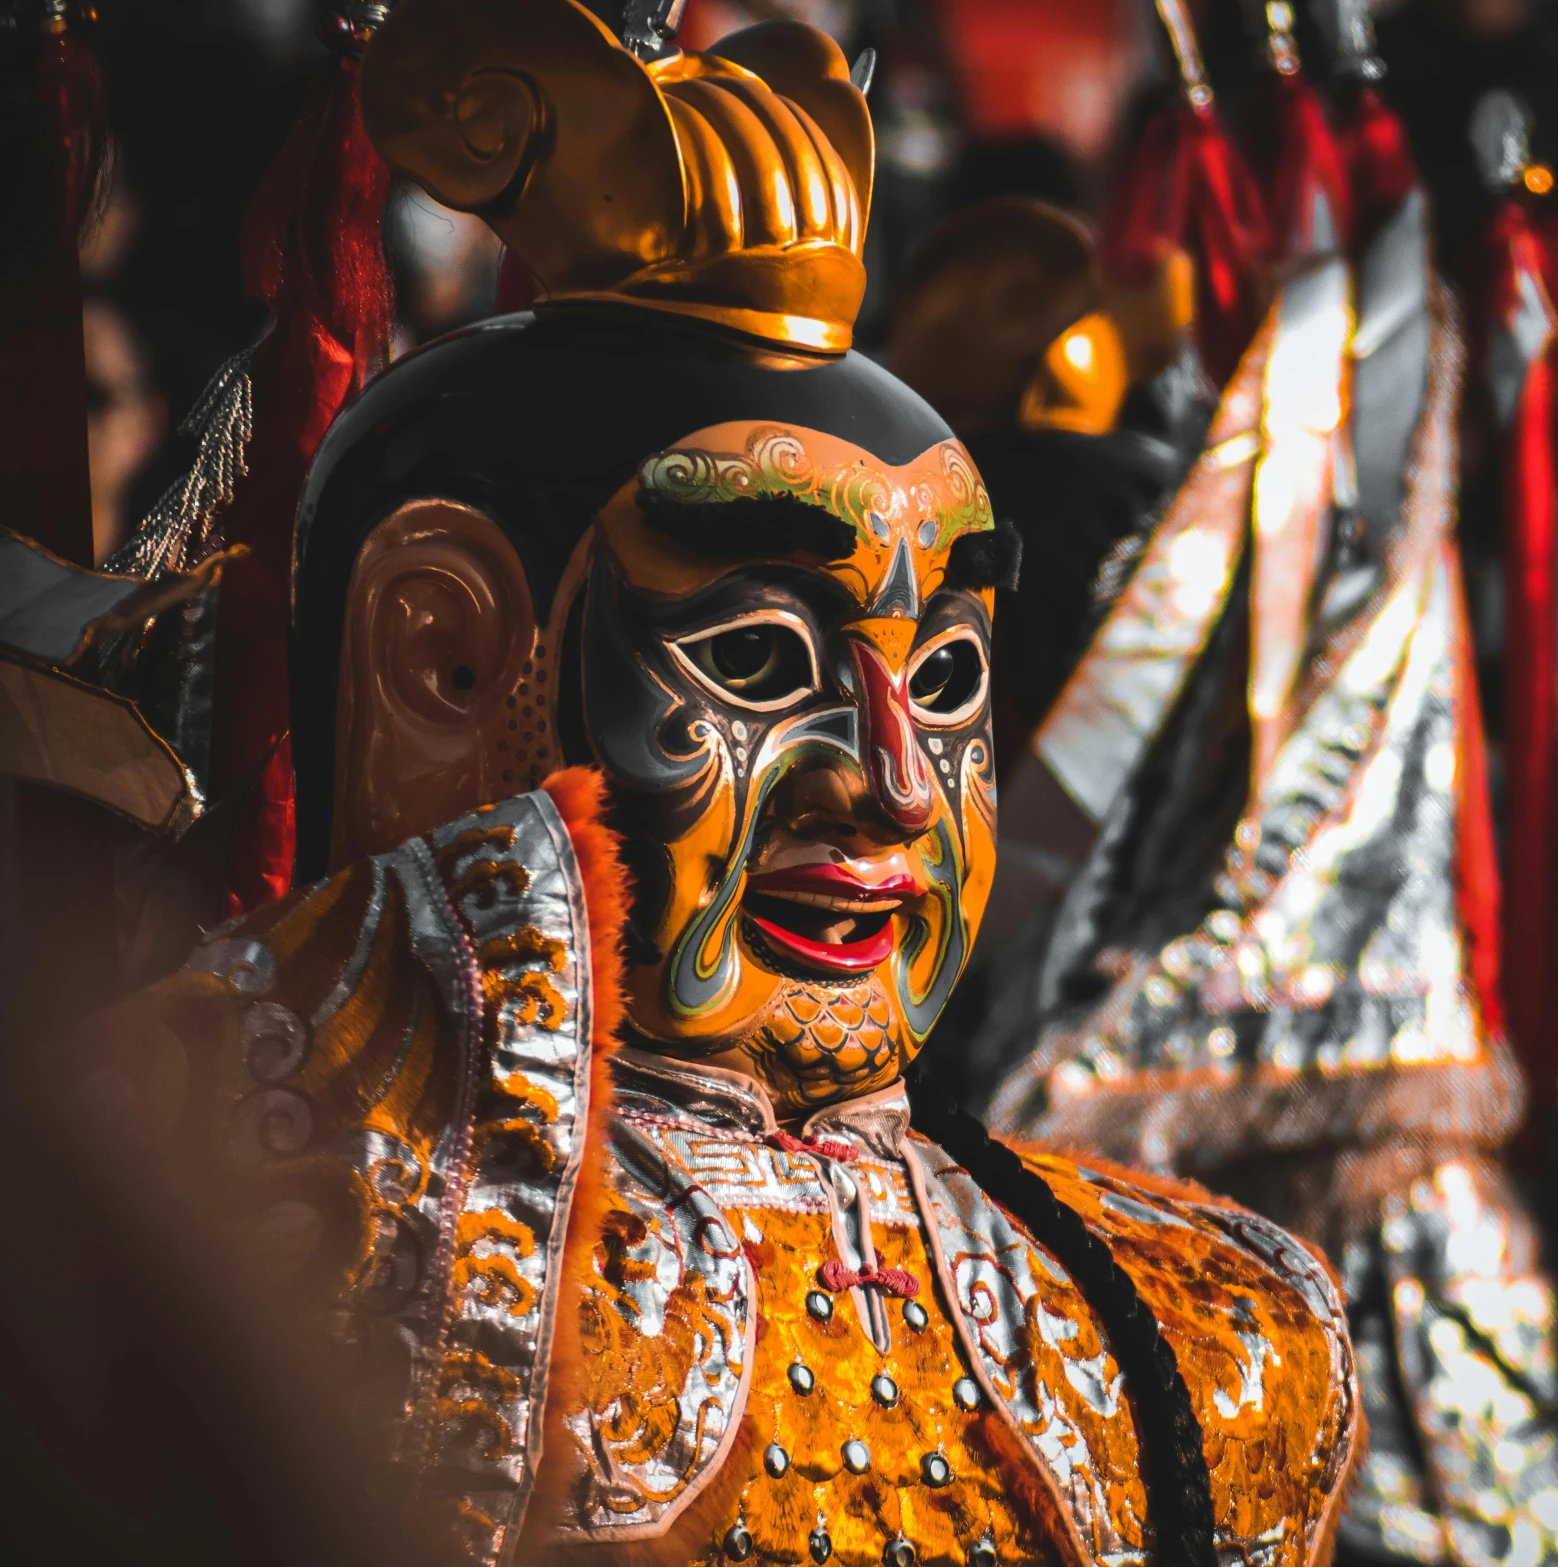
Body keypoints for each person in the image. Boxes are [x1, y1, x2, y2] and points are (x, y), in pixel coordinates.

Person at [46, 5, 1362, 1564]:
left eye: (944, 684)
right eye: (754, 662)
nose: (891, 787)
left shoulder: (1208, 1340)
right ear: (450, 667)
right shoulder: (208, 1260)